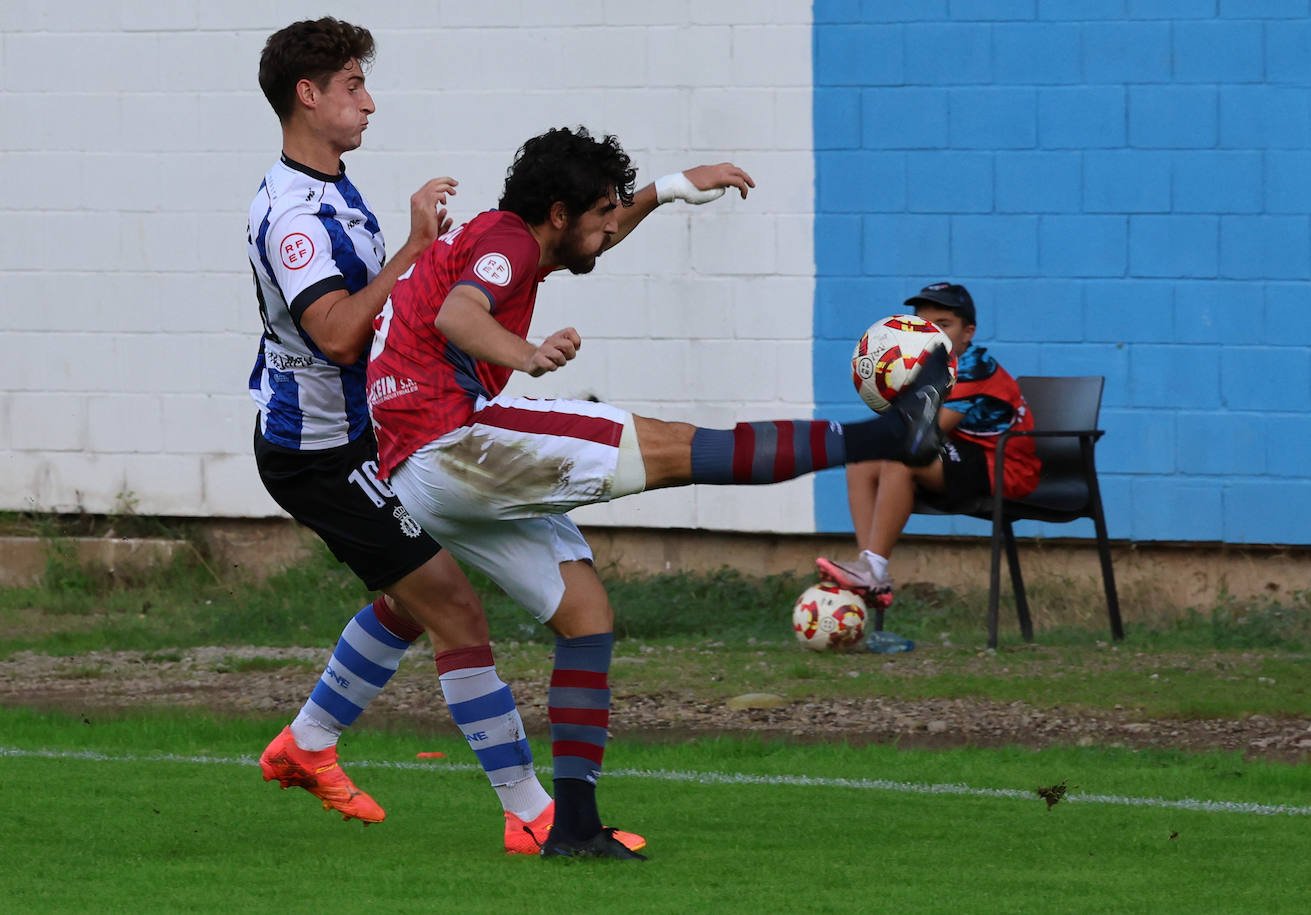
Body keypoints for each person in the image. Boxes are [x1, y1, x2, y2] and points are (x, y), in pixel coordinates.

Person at [364, 126, 948, 859]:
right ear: (556, 213)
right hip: (453, 441)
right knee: (681, 448)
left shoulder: (521, 237)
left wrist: (669, 190)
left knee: (586, 617)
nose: (612, 227)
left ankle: (573, 829)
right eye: (602, 211)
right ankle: (894, 436)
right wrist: (529, 355)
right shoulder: (508, 241)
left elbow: (558, 254)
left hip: (419, 471)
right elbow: (459, 313)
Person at [244, 17, 639, 857]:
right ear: (308, 97)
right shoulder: (291, 216)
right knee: (453, 603)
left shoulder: (336, 190)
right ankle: (532, 812)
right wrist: (418, 251)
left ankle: (309, 743)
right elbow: (344, 336)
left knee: (410, 596)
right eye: (353, 85)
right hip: (317, 450)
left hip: (370, 434)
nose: (369, 101)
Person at [816, 282, 1041, 612]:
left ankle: (872, 570)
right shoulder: (926, 369)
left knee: (902, 459)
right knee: (861, 462)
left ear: (968, 332)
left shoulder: (973, 371)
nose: (932, 335)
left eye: (944, 325)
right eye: (924, 326)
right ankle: (870, 572)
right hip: (965, 456)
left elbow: (923, 433)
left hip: (1005, 467)